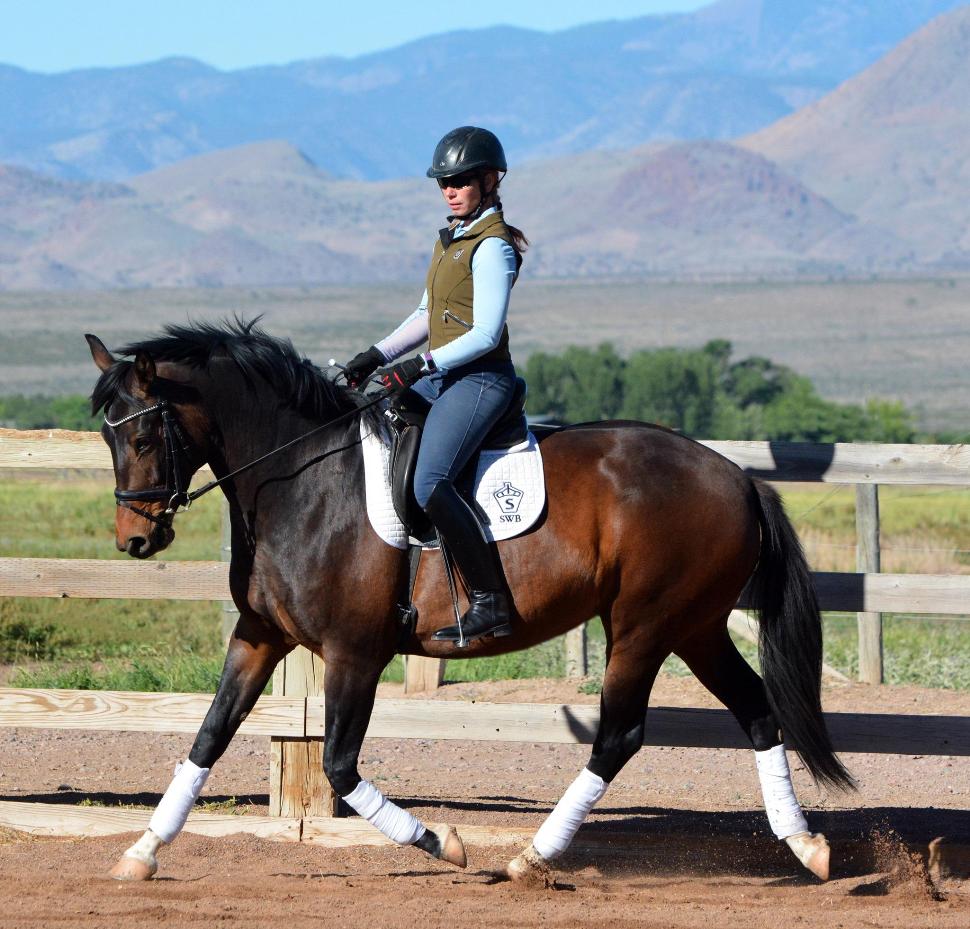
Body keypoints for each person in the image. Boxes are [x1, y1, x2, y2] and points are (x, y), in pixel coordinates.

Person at [345, 125, 529, 646]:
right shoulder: (451, 238)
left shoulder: (492, 248)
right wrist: (377, 357)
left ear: (491, 180)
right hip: (444, 374)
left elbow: (486, 333)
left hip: (480, 379)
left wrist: (418, 366)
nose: (450, 189)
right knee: (368, 419)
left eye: (462, 180)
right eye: (444, 181)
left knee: (430, 482)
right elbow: (428, 313)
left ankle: (490, 602)